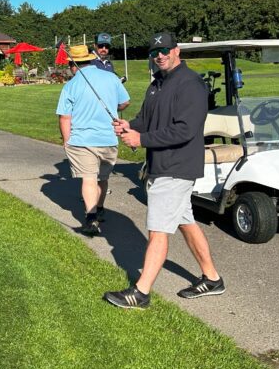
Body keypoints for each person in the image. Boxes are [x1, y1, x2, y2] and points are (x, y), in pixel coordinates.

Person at [103, 30, 225, 308]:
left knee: (158, 230)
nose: (160, 56)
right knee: (185, 222)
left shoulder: (191, 84)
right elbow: (148, 119)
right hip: (162, 164)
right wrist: (131, 126)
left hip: (177, 165)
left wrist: (141, 139)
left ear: (176, 51)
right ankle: (212, 278)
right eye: (154, 53)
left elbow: (186, 129)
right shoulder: (157, 83)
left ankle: (141, 292)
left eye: (165, 51)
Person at [56, 44, 130, 236]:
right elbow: (125, 101)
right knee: (102, 178)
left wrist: (66, 140)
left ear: (73, 64)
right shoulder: (111, 77)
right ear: (91, 59)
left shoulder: (71, 85)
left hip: (82, 139)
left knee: (89, 179)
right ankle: (100, 207)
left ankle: (91, 216)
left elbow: (65, 117)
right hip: (107, 137)